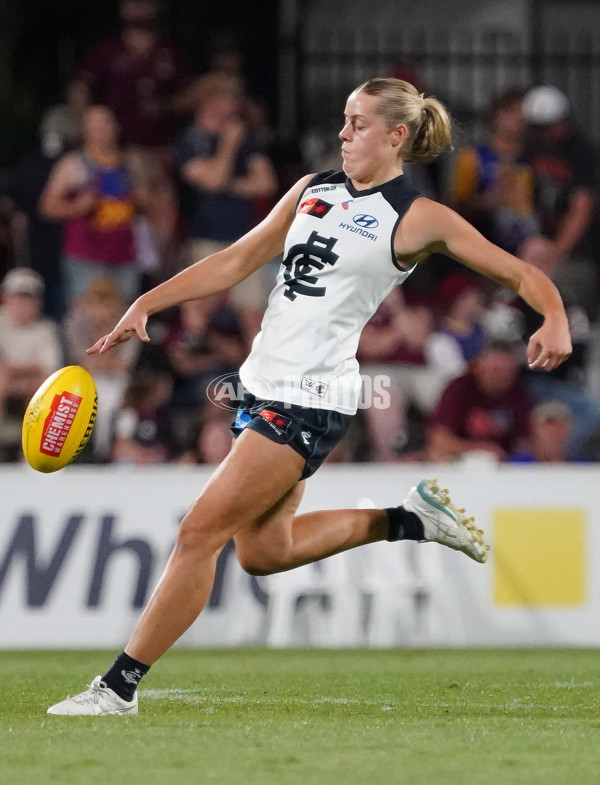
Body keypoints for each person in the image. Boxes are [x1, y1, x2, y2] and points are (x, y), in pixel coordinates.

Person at [47, 77, 571, 716]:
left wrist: (554, 317)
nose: (344, 133)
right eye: (345, 121)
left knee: (197, 534)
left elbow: (518, 271)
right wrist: (147, 300)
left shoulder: (416, 215)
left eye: (358, 123)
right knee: (266, 552)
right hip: (263, 382)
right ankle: (409, 519)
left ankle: (119, 687)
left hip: (309, 397)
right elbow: (239, 258)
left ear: (396, 135)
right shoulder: (314, 188)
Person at [39, 105, 144, 306]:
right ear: (84, 131)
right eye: (94, 125)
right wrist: (77, 207)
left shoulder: (131, 162)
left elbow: (152, 203)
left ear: (116, 127)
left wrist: (142, 198)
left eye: (105, 123)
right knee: (85, 316)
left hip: (125, 254)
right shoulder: (73, 164)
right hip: (86, 257)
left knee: (126, 317)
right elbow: (47, 206)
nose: (100, 130)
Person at [427, 340, 535, 463]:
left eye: (510, 372)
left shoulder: (518, 393)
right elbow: (439, 438)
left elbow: (525, 441)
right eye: (497, 371)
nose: (505, 377)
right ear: (479, 366)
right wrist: (478, 449)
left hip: (504, 466)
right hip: (460, 461)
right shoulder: (459, 389)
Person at [0, 268, 63, 460]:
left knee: (45, 389)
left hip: (30, 387)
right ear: (5, 298)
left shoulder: (46, 330)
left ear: (38, 303)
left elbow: (49, 372)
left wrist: (12, 371)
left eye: (28, 299)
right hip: (4, 385)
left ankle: (31, 452)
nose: (22, 305)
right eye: (17, 298)